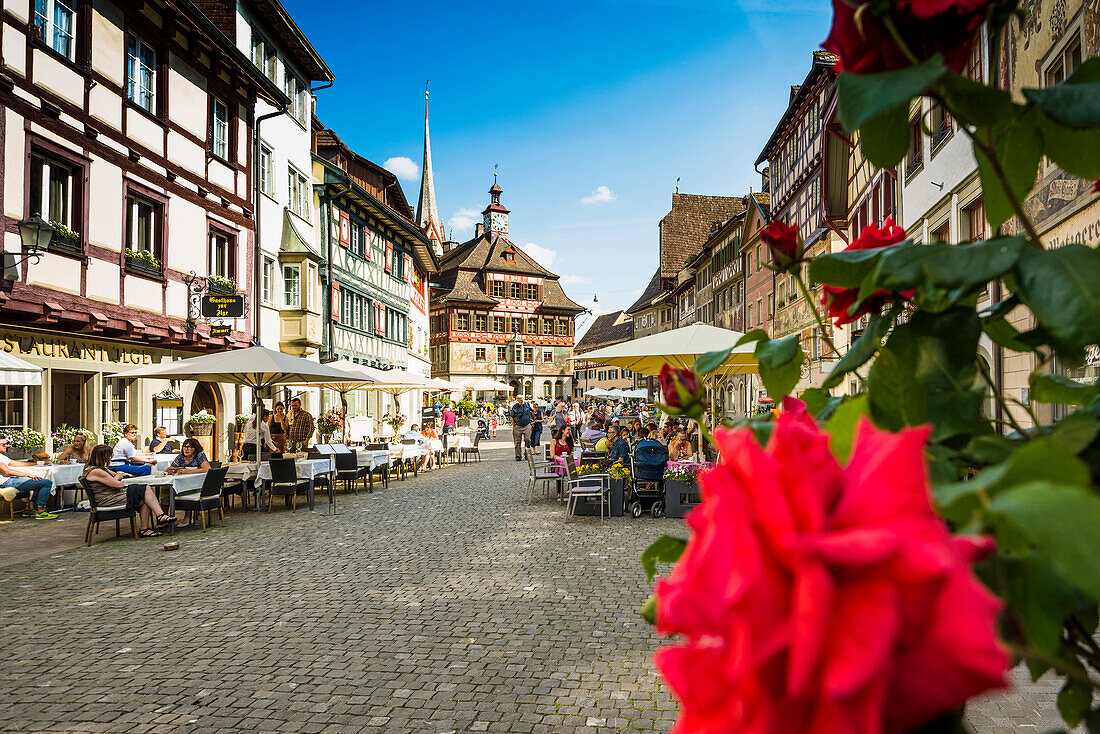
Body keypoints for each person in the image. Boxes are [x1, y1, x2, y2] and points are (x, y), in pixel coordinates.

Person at [82, 444, 174, 537]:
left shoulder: (98, 468)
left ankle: (145, 529)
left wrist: (115, 479)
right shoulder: (96, 471)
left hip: (112, 496)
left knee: (145, 497)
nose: (110, 459)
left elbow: (119, 475)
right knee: (145, 489)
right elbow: (118, 484)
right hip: (107, 500)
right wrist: (114, 480)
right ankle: (160, 515)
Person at [0, 435, 56, 519]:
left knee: (38, 480)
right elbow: (7, 471)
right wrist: (28, 475)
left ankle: (29, 508)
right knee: (47, 483)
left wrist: (36, 463)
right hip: (7, 482)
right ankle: (41, 511)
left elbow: (14, 463)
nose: (6, 446)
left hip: (12, 479)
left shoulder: (2, 456)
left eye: (6, 443)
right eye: (3, 444)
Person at [167, 438, 211, 528]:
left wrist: (188, 471)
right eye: (184, 447)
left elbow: (207, 469)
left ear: (195, 448)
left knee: (187, 489)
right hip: (182, 482)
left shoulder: (200, 455)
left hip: (198, 485)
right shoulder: (180, 457)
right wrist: (170, 471)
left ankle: (187, 517)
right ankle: (164, 518)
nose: (186, 449)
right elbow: (169, 469)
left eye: (189, 447)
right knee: (164, 491)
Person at [508, 395, 534, 461]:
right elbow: (512, 417)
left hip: (527, 425)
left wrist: (532, 421)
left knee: (528, 439)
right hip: (518, 426)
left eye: (522, 399)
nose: (521, 400)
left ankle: (527, 454)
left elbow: (532, 411)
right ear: (517, 400)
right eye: (519, 399)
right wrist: (514, 426)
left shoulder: (527, 405)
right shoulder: (515, 407)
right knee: (517, 442)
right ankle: (518, 456)